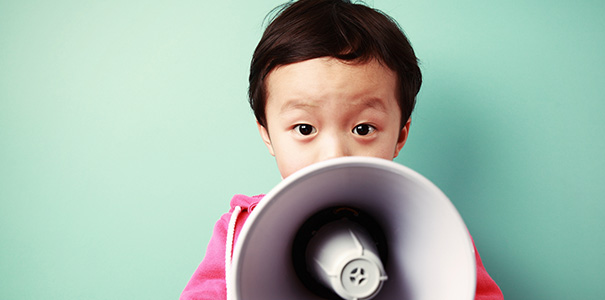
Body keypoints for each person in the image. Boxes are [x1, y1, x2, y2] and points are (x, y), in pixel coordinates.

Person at [181, 0, 503, 299]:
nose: (334, 155)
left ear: (400, 135)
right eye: (305, 129)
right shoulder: (240, 232)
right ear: (267, 134)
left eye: (363, 129)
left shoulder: (437, 229)